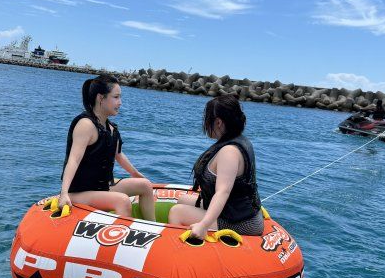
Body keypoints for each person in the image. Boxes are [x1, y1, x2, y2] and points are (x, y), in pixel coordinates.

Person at [59, 75, 156, 220]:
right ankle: (117, 240)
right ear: (101, 98)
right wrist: (64, 193)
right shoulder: (86, 125)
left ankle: (153, 229)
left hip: (102, 186)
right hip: (80, 192)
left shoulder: (110, 128)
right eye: (116, 97)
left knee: (146, 185)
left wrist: (136, 175)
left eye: (120, 97)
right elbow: (74, 159)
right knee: (122, 201)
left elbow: (119, 155)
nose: (120, 102)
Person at [168, 95, 264, 238]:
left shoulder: (229, 152)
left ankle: (179, 254)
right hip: (234, 211)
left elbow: (222, 192)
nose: (205, 124)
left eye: (207, 119)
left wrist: (204, 225)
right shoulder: (238, 140)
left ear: (218, 122)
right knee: (182, 199)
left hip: (241, 222)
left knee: (177, 211)